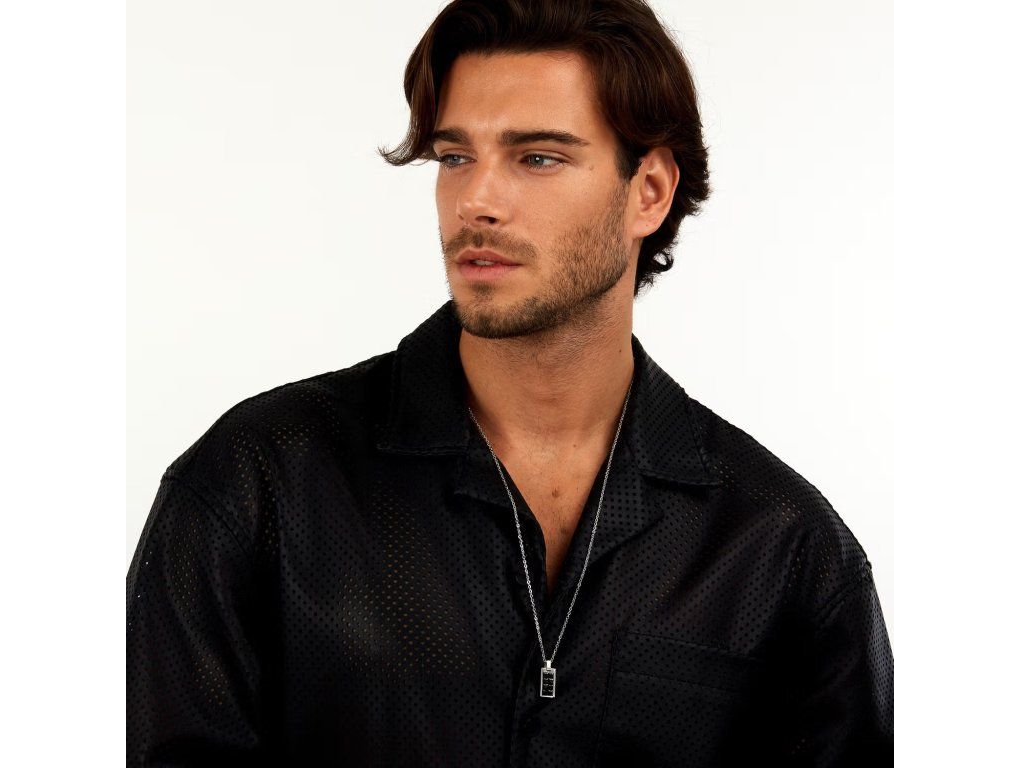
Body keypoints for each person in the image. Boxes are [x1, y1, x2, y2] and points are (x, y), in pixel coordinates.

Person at [126, 0, 894, 765]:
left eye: (538, 158)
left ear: (650, 191)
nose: (476, 202)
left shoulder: (780, 548)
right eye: (455, 157)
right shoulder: (260, 485)